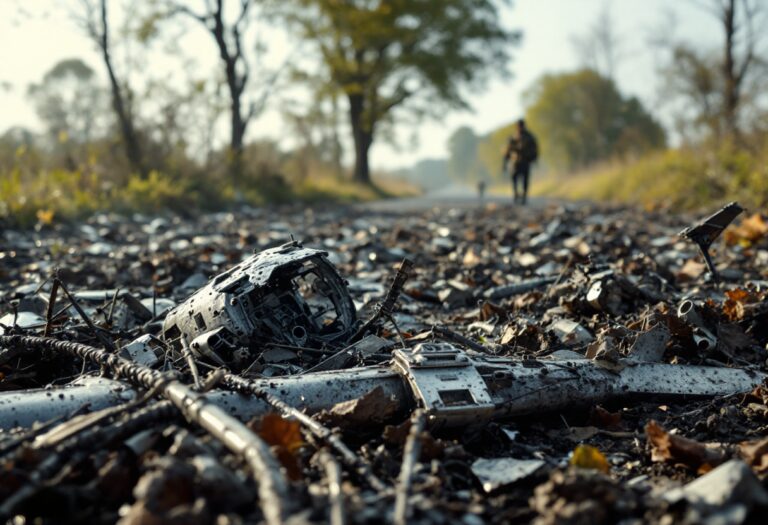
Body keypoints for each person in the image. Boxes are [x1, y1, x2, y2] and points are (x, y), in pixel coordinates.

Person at [503, 119, 538, 205]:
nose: (520, 127)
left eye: (521, 125)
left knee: (525, 180)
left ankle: (524, 197)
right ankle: (515, 194)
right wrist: (505, 162)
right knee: (514, 179)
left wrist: (533, 158)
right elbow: (507, 150)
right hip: (515, 162)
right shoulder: (513, 137)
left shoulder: (529, 137)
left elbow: (534, 149)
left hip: (525, 161)